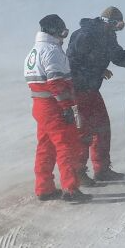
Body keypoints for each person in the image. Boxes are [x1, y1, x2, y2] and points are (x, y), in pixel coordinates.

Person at [66, 6, 125, 184]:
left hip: (91, 89)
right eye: (118, 25)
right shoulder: (85, 35)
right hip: (78, 90)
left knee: (102, 128)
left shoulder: (107, 36)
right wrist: (97, 70)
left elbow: (118, 56)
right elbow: (72, 62)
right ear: (109, 22)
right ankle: (78, 172)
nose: (118, 29)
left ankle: (102, 169)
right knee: (83, 131)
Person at [24, 15, 92, 203]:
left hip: (40, 105)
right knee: (67, 146)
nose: (64, 36)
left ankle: (44, 187)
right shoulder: (52, 51)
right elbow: (56, 83)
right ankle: (71, 190)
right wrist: (67, 107)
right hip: (53, 105)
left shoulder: (34, 51)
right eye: (63, 31)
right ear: (54, 31)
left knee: (45, 147)